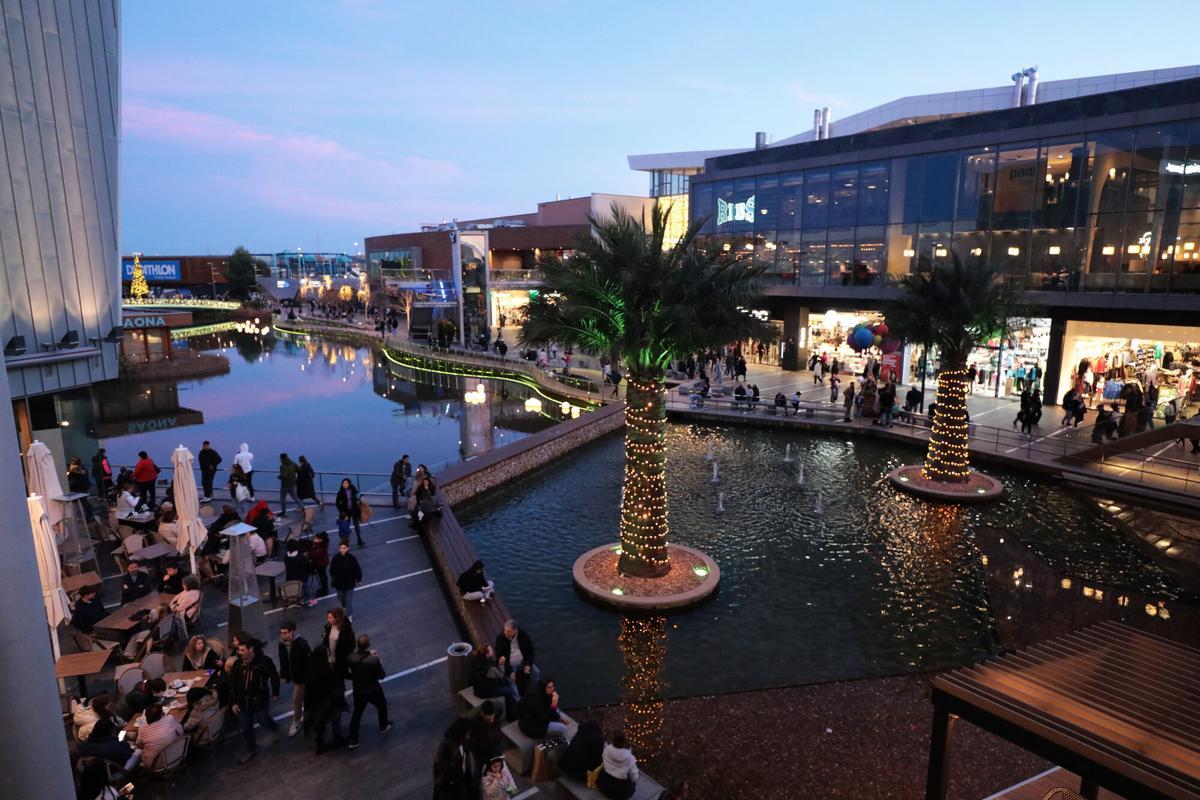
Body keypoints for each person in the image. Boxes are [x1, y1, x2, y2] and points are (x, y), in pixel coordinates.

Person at [229, 635, 280, 764]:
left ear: (251, 649)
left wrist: (275, 692)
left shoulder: (264, 662)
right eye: (238, 650)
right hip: (242, 703)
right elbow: (233, 683)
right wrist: (234, 702)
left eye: (242, 650)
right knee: (246, 728)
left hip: (260, 700)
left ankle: (274, 728)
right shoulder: (237, 664)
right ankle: (252, 749)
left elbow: (274, 676)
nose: (239, 653)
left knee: (263, 720)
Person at [346, 634, 392, 748]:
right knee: (382, 705)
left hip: (358, 690)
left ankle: (353, 739)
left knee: (357, 713)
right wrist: (375, 658)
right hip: (373, 689)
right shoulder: (373, 660)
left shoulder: (351, 657)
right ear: (368, 645)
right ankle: (383, 725)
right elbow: (382, 675)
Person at [307, 644, 347, 754]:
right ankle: (337, 739)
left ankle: (320, 745)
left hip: (316, 703)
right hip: (328, 702)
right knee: (335, 719)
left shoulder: (311, 669)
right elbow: (333, 686)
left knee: (320, 724)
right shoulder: (326, 670)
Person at [469, 643, 520, 721]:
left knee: (506, 683)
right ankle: (510, 715)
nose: (492, 650)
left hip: (478, 688)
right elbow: (499, 677)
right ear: (488, 652)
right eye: (491, 649)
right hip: (484, 691)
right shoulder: (489, 665)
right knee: (508, 691)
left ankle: (515, 702)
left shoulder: (477, 659)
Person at [278, 621, 311, 737]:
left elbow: (308, 662)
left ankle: (297, 721)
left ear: (292, 632)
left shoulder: (301, 644)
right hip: (294, 676)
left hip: (301, 678)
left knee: (296, 699)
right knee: (302, 699)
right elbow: (283, 661)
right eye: (281, 633)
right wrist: (284, 675)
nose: (283, 635)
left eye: (285, 633)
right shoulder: (282, 644)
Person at [433, 718, 473, 800]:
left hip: (461, 779)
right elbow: (440, 768)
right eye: (468, 732)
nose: (469, 735)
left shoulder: (463, 742)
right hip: (452, 784)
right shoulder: (447, 746)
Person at [136, 702, 184, 769]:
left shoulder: (141, 729)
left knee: (137, 750)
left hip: (154, 765)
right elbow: (181, 733)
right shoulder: (170, 719)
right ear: (161, 714)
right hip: (176, 756)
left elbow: (139, 745)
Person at [597, 730, 640, 800]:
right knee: (633, 777)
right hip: (620, 793)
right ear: (625, 743)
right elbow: (634, 778)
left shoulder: (607, 749)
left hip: (604, 785)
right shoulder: (630, 759)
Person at [494, 619, 539, 685]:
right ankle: (516, 694)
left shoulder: (523, 635)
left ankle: (534, 687)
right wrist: (510, 672)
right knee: (512, 683)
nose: (506, 633)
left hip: (523, 663)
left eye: (509, 631)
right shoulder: (500, 638)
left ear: (515, 630)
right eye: (505, 630)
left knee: (536, 672)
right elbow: (499, 656)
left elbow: (531, 651)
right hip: (510, 665)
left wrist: (528, 664)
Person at [322, 607, 356, 685]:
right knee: (338, 676)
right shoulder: (329, 627)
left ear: (336, 618)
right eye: (328, 617)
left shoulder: (346, 630)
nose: (328, 620)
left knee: (341, 675)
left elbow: (351, 645)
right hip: (332, 658)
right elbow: (326, 641)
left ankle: (360, 679)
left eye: (330, 618)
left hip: (341, 659)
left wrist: (344, 655)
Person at [329, 542, 362, 619]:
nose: (342, 550)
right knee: (340, 597)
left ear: (347, 548)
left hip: (349, 583)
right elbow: (331, 569)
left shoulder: (352, 558)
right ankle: (344, 604)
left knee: (349, 600)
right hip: (339, 583)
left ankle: (349, 615)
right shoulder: (336, 558)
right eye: (341, 548)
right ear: (339, 549)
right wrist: (334, 575)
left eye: (344, 548)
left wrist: (359, 579)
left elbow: (357, 569)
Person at [335, 478, 364, 546]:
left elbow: (357, 495)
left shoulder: (353, 489)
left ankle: (359, 539)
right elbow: (337, 502)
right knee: (346, 527)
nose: (345, 485)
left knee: (356, 525)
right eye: (343, 483)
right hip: (346, 512)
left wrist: (361, 497)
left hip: (354, 511)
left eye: (346, 483)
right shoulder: (340, 492)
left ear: (349, 484)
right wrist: (341, 511)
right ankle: (345, 542)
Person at [308, 531, 331, 596]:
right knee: (323, 576)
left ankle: (324, 590)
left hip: (321, 563)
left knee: (322, 576)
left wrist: (312, 548)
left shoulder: (319, 546)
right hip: (322, 562)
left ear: (320, 540)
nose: (314, 540)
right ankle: (324, 588)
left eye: (315, 539)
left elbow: (316, 554)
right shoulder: (322, 544)